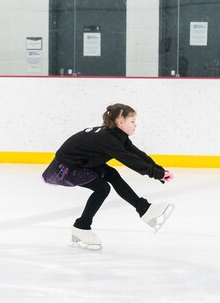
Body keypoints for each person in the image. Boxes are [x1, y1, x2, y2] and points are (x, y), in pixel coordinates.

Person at [42, 103, 174, 248]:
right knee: (102, 188)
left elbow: (137, 154)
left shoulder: (117, 135)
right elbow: (130, 160)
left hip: (82, 162)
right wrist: (157, 174)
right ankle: (82, 226)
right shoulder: (108, 139)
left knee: (112, 174)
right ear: (121, 122)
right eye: (132, 121)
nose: (135, 125)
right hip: (66, 167)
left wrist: (159, 170)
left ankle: (144, 209)